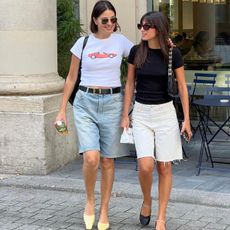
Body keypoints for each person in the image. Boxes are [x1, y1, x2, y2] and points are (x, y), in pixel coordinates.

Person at [55, 1, 133, 229]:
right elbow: (71, 78)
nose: (110, 24)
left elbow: (142, 56)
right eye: (105, 20)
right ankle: (90, 202)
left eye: (113, 20)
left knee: (108, 160)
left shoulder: (121, 42)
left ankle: (105, 210)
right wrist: (61, 110)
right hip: (85, 102)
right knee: (91, 157)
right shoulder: (83, 43)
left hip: (113, 103)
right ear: (95, 21)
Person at [121, 11, 192, 230]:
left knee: (164, 167)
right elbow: (130, 85)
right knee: (145, 165)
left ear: (158, 30)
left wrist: (187, 119)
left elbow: (181, 86)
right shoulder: (136, 52)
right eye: (140, 25)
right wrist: (125, 115)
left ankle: (161, 216)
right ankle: (146, 200)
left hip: (165, 114)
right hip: (141, 113)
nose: (142, 29)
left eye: (146, 26)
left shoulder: (173, 53)